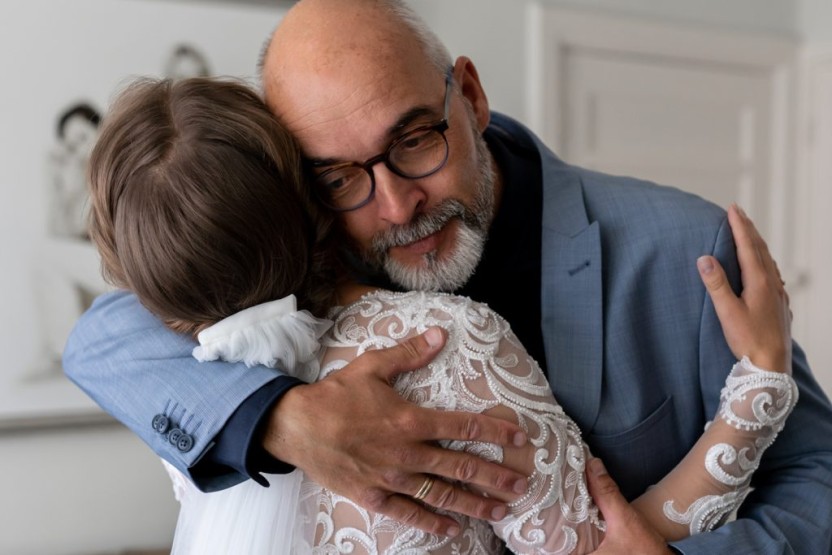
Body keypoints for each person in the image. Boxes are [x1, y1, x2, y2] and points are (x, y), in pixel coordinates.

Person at [64, 0, 832, 552]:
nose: (398, 204)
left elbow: (819, 477)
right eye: (339, 176)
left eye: (416, 139)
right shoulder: (303, 257)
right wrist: (283, 421)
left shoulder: (689, 248)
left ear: (469, 95)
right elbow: (102, 338)